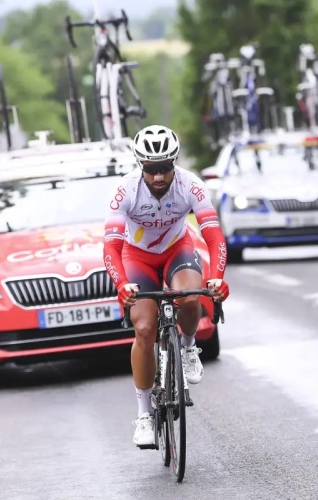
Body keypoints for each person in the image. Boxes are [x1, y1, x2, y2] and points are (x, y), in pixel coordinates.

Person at [102, 125, 230, 447]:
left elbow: (214, 237)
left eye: (164, 169)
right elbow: (111, 249)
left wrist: (217, 276)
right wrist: (121, 284)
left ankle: (187, 348)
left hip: (177, 249)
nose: (158, 177)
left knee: (190, 299)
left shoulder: (191, 185)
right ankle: (144, 414)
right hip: (137, 257)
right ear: (140, 166)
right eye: (151, 169)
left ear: (174, 164)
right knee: (144, 328)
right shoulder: (125, 190)